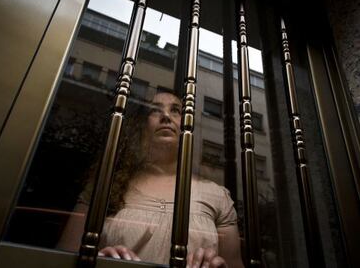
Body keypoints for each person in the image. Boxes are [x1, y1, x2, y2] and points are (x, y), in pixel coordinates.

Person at [58, 92, 244, 268]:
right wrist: (99, 260)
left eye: (176, 110)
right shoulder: (106, 185)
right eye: (155, 110)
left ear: (187, 126)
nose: (166, 116)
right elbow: (63, 258)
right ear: (141, 126)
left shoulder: (216, 195)